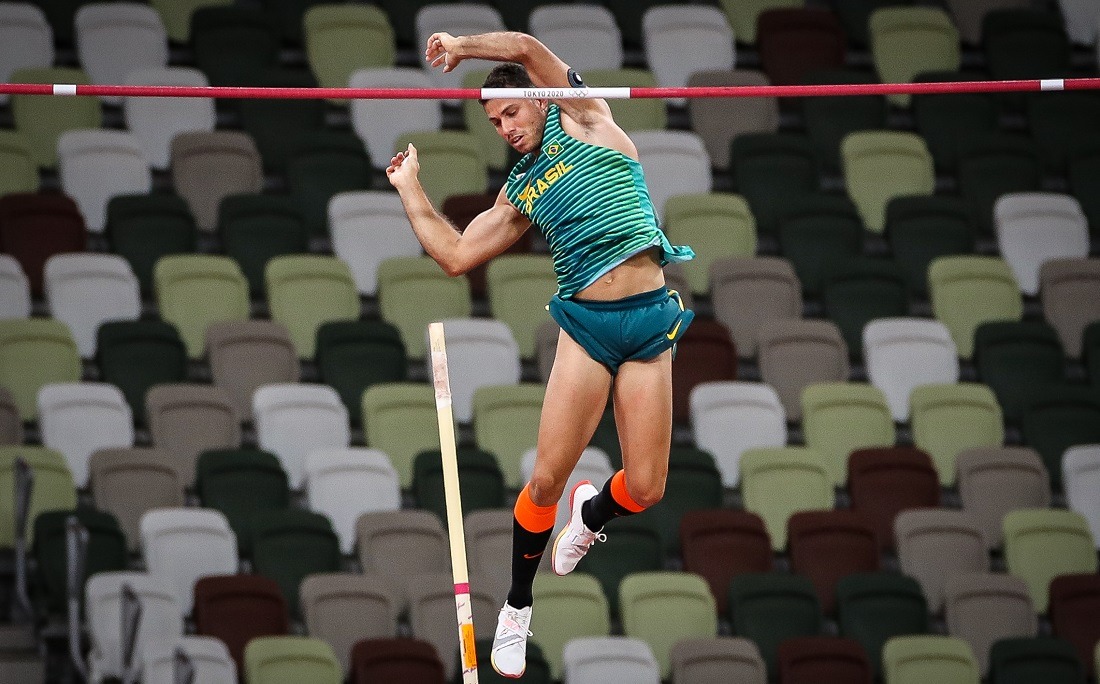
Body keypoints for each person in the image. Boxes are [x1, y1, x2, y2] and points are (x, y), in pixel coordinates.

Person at [386, 29, 695, 679]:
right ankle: (518, 610)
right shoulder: (521, 189)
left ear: (541, 101)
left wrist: (464, 47)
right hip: (588, 327)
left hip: (647, 323)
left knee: (646, 487)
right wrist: (410, 187)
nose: (503, 127)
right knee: (545, 479)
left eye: (510, 112)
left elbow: (526, 46)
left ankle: (595, 512)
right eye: (493, 121)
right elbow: (456, 256)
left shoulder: (583, 116)